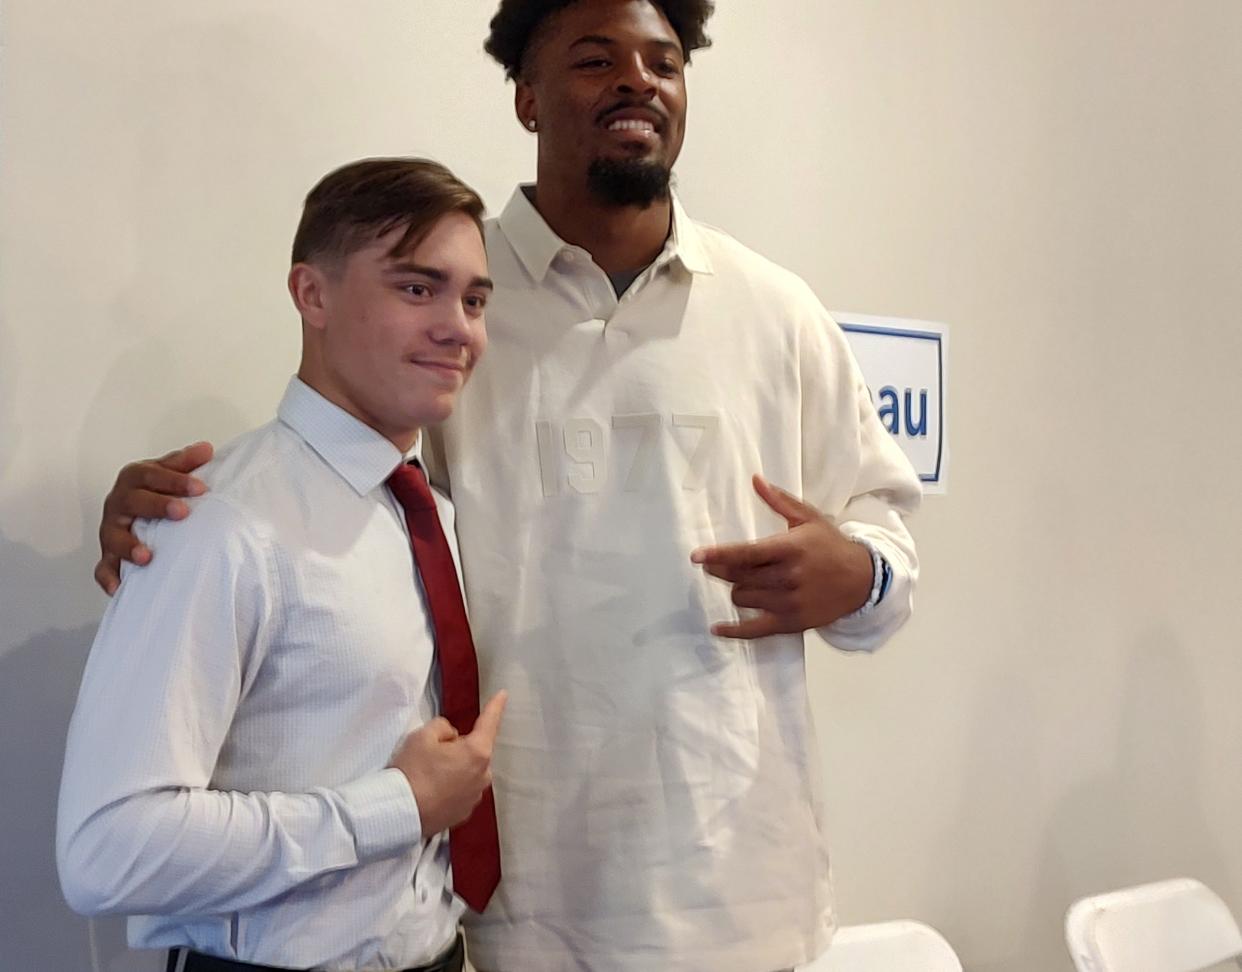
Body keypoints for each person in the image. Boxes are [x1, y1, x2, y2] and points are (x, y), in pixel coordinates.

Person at [93, 2, 923, 970]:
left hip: (742, 883)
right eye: (594, 58)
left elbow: (887, 543)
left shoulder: (777, 310)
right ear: (527, 98)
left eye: (664, 61)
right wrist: (176, 513)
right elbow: (331, 507)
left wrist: (860, 576)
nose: (638, 81)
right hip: (506, 896)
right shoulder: (448, 307)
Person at [60, 158, 509, 972]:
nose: (459, 327)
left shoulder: (430, 511)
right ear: (313, 295)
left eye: (474, 299)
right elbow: (106, 851)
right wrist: (397, 806)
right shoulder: (217, 524)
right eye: (418, 289)